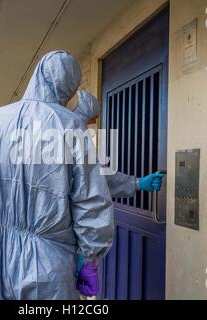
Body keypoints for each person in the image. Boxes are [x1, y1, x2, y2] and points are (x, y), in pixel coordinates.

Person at [0, 51, 113, 300]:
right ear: (70, 88)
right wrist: (90, 256)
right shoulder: (70, 126)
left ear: (38, 75)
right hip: (47, 263)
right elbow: (90, 199)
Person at [72, 90, 166, 291]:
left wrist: (137, 183)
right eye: (88, 121)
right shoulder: (68, 140)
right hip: (55, 253)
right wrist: (89, 256)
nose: (88, 127)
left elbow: (95, 177)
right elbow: (91, 190)